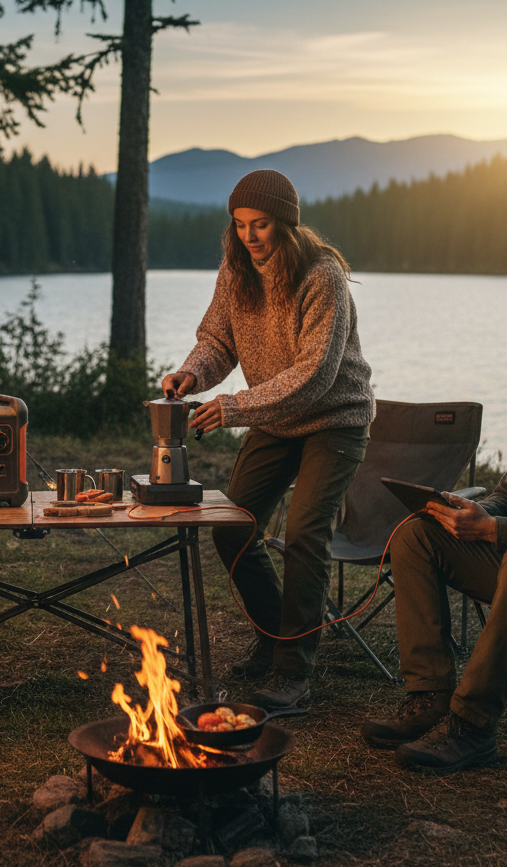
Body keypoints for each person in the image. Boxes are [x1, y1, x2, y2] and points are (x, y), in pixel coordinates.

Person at [162, 168, 375, 716]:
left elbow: (314, 376)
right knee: (233, 528)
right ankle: (275, 632)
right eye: (239, 225)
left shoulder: (321, 274)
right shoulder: (236, 272)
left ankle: (292, 674)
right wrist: (190, 374)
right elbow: (217, 339)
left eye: (259, 225)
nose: (249, 236)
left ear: (285, 222)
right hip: (277, 420)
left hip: (334, 419)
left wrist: (232, 406)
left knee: (305, 533)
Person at [362, 293, 507, 774]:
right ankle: (430, 698)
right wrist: (469, 512)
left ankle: (472, 726)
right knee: (417, 534)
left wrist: (495, 528)